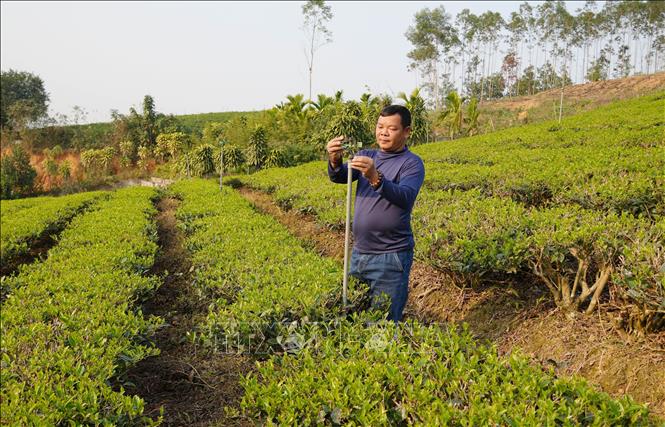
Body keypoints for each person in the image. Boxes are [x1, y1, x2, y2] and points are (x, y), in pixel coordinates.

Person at [326, 105, 425, 322]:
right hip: (359, 254)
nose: (383, 132)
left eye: (391, 128)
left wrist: (375, 177)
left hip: (391, 257)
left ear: (406, 132)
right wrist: (335, 159)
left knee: (382, 326)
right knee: (353, 317)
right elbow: (340, 176)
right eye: (380, 126)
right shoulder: (366, 155)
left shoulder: (412, 163)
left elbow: (405, 197)